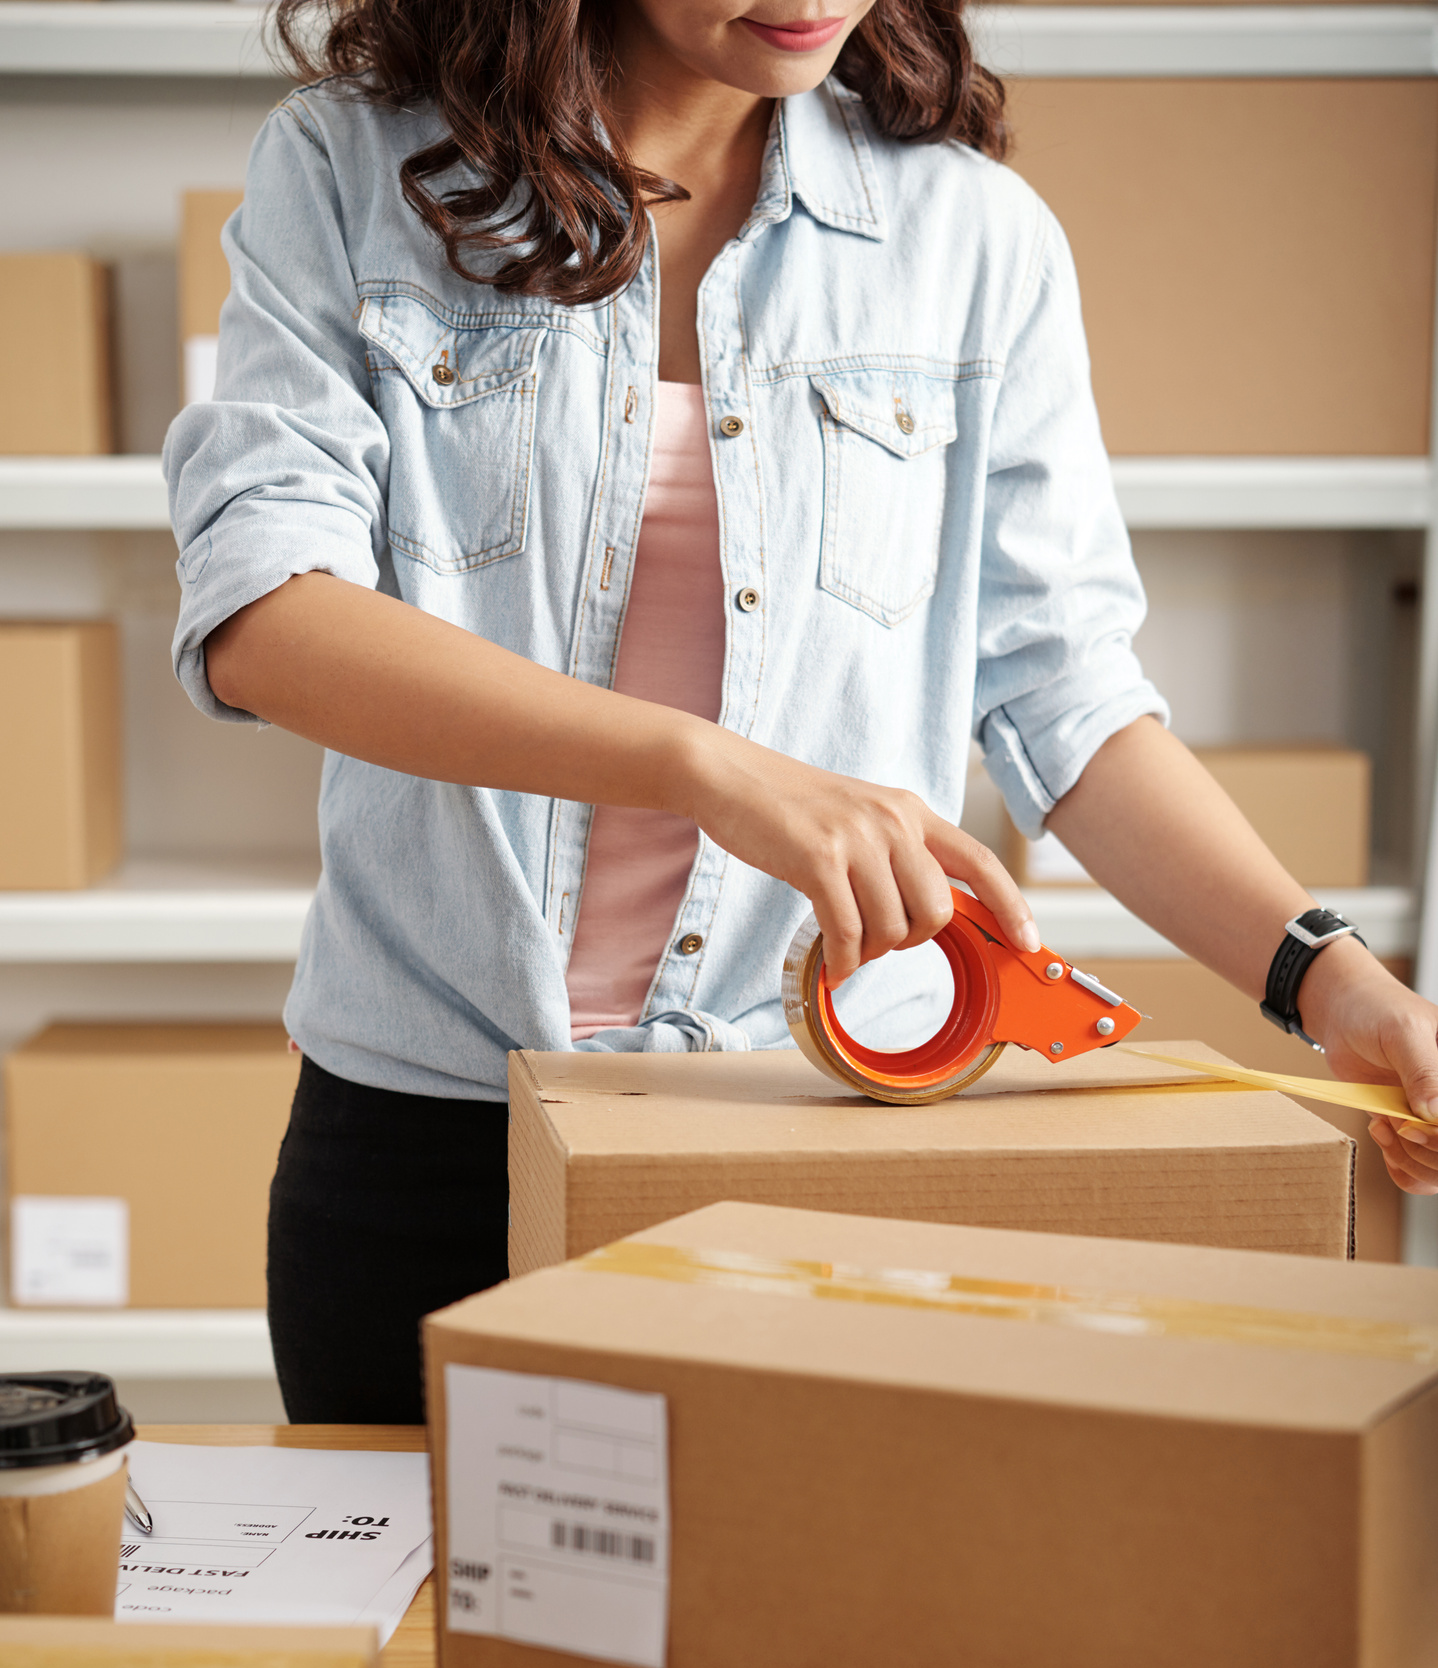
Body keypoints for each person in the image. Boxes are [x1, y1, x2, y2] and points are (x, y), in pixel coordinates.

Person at [165, 0, 1438, 1425]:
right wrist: (709, 770)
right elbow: (265, 616)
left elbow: (1066, 693)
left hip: (802, 1132)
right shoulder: (351, 172)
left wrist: (1331, 982)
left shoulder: (971, 241)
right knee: (429, 1648)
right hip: (428, 1137)